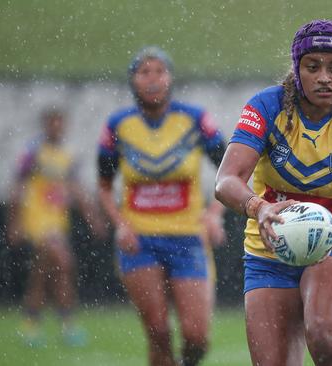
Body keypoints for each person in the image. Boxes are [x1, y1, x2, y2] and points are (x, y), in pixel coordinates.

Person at [214, 19, 332, 365]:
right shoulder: (265, 107)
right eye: (313, 67)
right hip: (270, 246)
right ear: (297, 69)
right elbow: (226, 181)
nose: (325, 77)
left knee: (324, 337)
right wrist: (258, 207)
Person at [97, 46, 227, 366]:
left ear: (170, 78)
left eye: (159, 71)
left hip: (189, 237)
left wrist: (214, 215)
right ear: (133, 81)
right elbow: (103, 184)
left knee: (196, 338)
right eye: (144, 72)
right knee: (157, 332)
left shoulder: (195, 119)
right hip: (139, 240)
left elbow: (230, 170)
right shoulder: (118, 125)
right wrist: (120, 223)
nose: (153, 79)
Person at [7, 106, 105, 347]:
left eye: (60, 123)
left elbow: (76, 189)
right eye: (53, 123)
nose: (57, 127)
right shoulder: (33, 152)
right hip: (37, 219)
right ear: (46, 125)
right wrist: (15, 222)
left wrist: (92, 217)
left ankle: (33, 324)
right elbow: (17, 188)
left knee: (44, 273)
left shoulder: (68, 154)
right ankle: (66, 324)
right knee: (63, 262)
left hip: (57, 221)